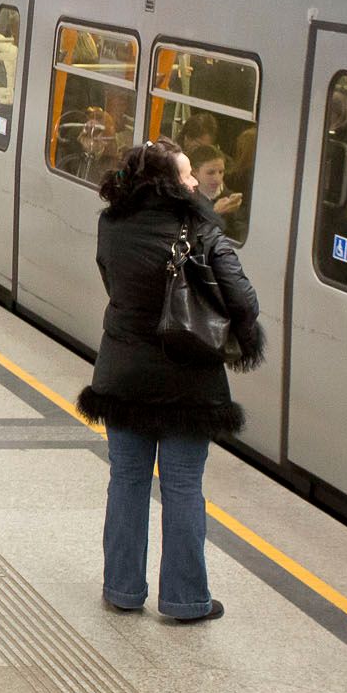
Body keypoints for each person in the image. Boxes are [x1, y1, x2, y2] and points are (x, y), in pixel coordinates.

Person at [78, 140, 264, 623]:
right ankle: (185, 600)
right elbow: (243, 301)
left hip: (124, 372)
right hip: (190, 380)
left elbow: (113, 283)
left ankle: (122, 588)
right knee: (182, 486)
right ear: (166, 182)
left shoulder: (111, 224)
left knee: (126, 481)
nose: (194, 183)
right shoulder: (201, 228)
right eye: (185, 176)